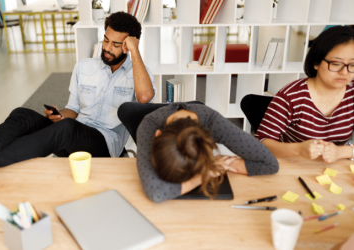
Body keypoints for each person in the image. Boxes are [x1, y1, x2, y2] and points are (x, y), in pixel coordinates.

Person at [0, 11, 156, 179]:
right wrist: (59, 115)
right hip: (71, 133)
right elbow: (73, 109)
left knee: (66, 129)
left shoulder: (139, 74)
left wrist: (136, 52)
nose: (107, 48)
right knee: (23, 114)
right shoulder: (84, 67)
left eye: (116, 44)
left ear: (129, 46)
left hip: (103, 145)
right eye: (106, 39)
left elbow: (145, 97)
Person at [135, 102, 279, 203]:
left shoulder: (212, 121)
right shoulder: (149, 126)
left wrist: (223, 164)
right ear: (158, 135)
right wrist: (203, 175)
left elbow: (269, 164)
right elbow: (156, 192)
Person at [255, 26, 354, 163]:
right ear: (316, 62)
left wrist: (341, 151)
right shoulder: (291, 96)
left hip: (334, 169)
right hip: (292, 166)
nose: (344, 72)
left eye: (352, 65)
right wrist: (298, 149)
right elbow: (260, 142)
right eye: (336, 64)